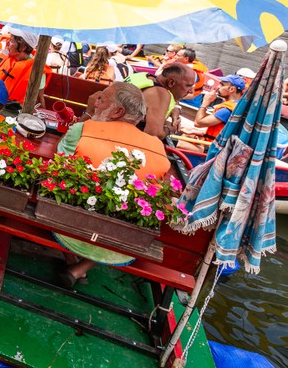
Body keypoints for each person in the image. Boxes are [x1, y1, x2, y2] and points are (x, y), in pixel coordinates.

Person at [56, 82, 171, 287]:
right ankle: (78, 268)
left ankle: (73, 260)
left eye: (102, 99)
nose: (95, 101)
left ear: (118, 111)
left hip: (69, 229)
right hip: (123, 244)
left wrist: (89, 114)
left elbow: (58, 161)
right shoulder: (157, 146)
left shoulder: (84, 129)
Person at [120, 63, 196, 139]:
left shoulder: (143, 76)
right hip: (122, 137)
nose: (191, 91)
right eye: (188, 86)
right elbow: (153, 135)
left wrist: (176, 107)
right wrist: (170, 129)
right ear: (171, 82)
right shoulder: (160, 94)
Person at [190, 74, 246, 144]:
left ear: (232, 89)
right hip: (215, 144)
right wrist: (201, 133)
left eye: (222, 85)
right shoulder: (237, 105)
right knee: (188, 135)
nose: (218, 87)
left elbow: (198, 123)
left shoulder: (226, 110)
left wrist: (205, 102)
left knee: (179, 144)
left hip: (213, 148)